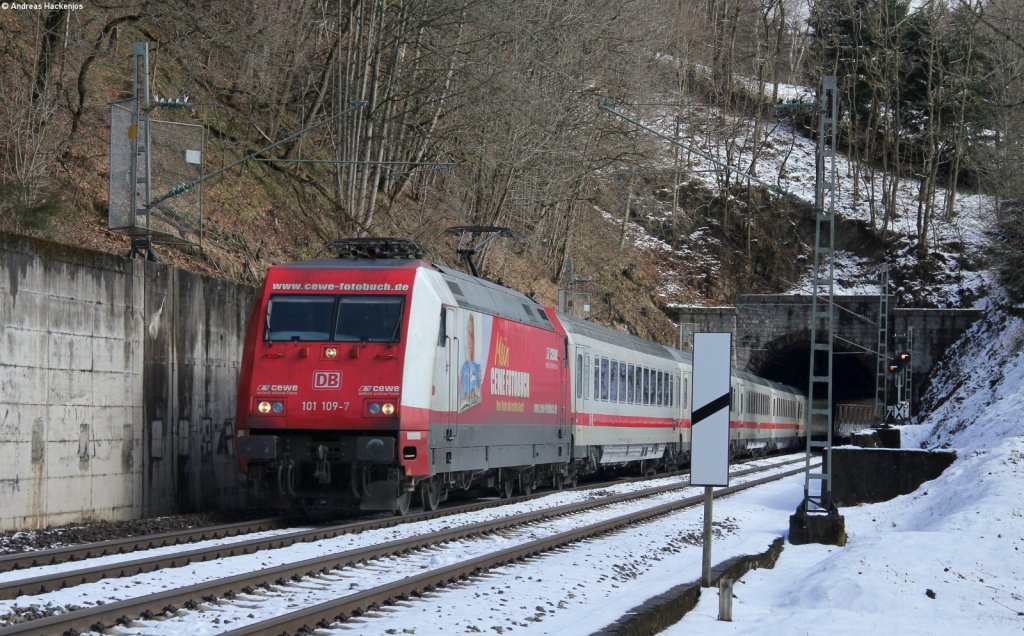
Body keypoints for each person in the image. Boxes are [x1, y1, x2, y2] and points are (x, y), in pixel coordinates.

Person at [458, 314, 482, 410]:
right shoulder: (462, 369)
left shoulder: (478, 368)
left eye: (472, 336)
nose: (470, 341)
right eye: (469, 335)